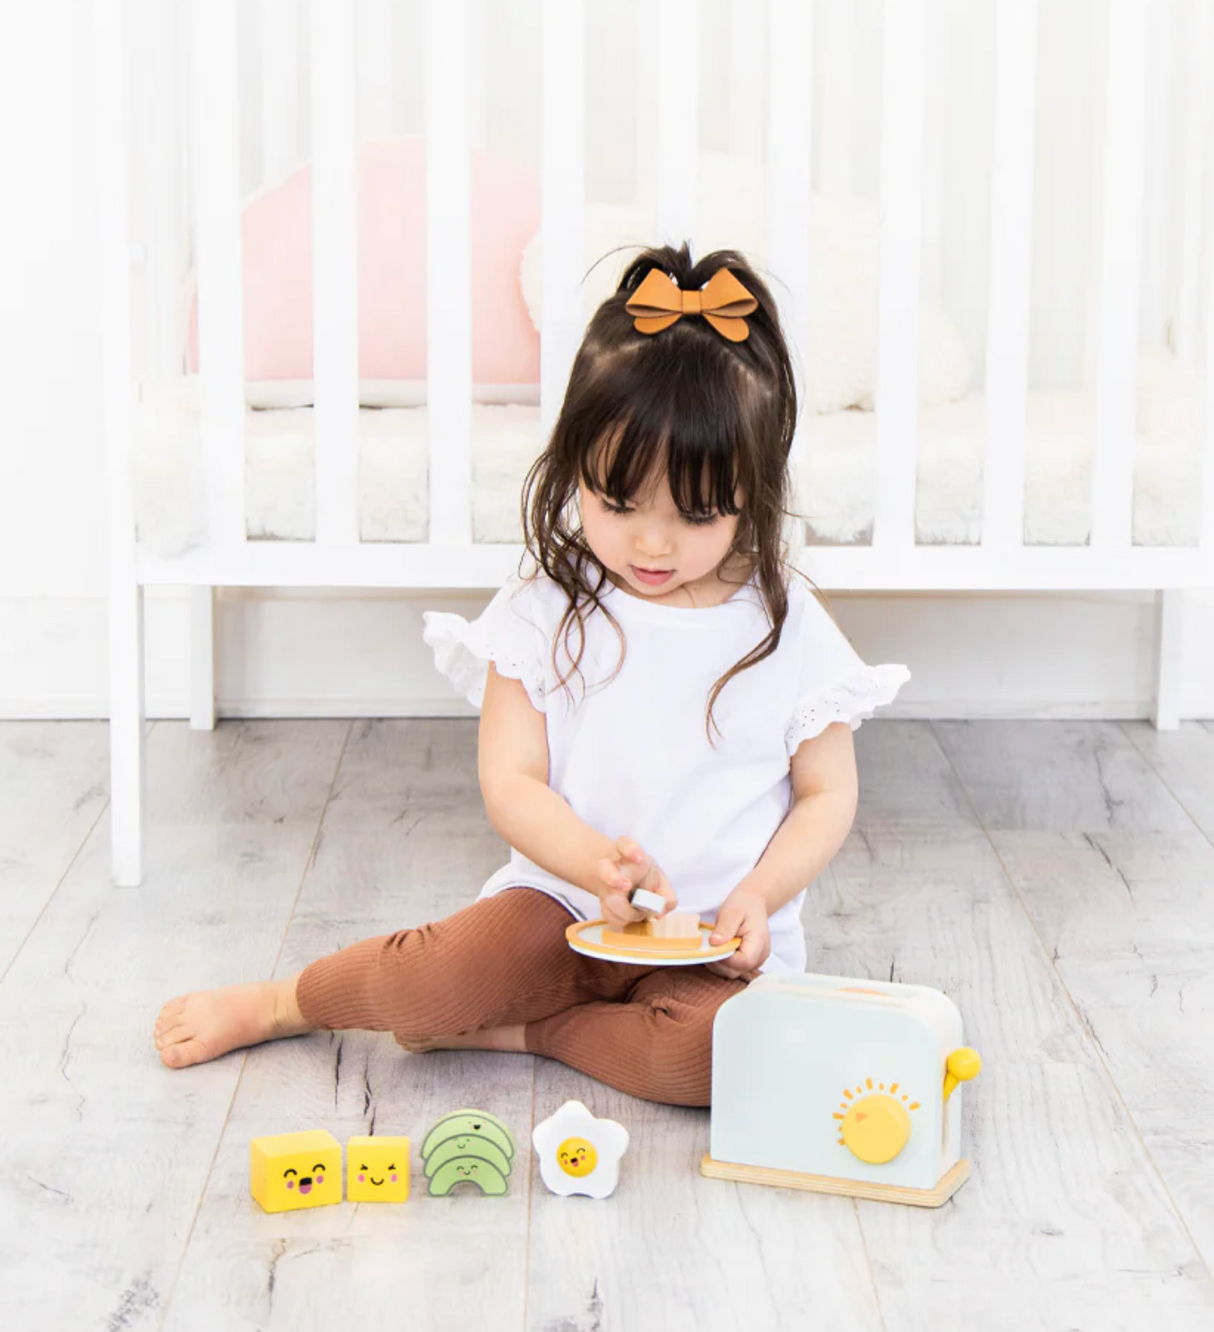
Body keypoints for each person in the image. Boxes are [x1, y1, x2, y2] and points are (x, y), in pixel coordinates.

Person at [153, 241, 910, 1106]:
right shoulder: (546, 608)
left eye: (695, 515)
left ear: (756, 490)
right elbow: (510, 781)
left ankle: (535, 1035)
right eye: (617, 504)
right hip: (561, 907)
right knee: (433, 981)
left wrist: (758, 896)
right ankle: (285, 1003)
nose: (651, 544)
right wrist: (594, 868)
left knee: (715, 1063)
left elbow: (826, 794)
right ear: (574, 465)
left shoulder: (788, 625)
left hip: (710, 944)